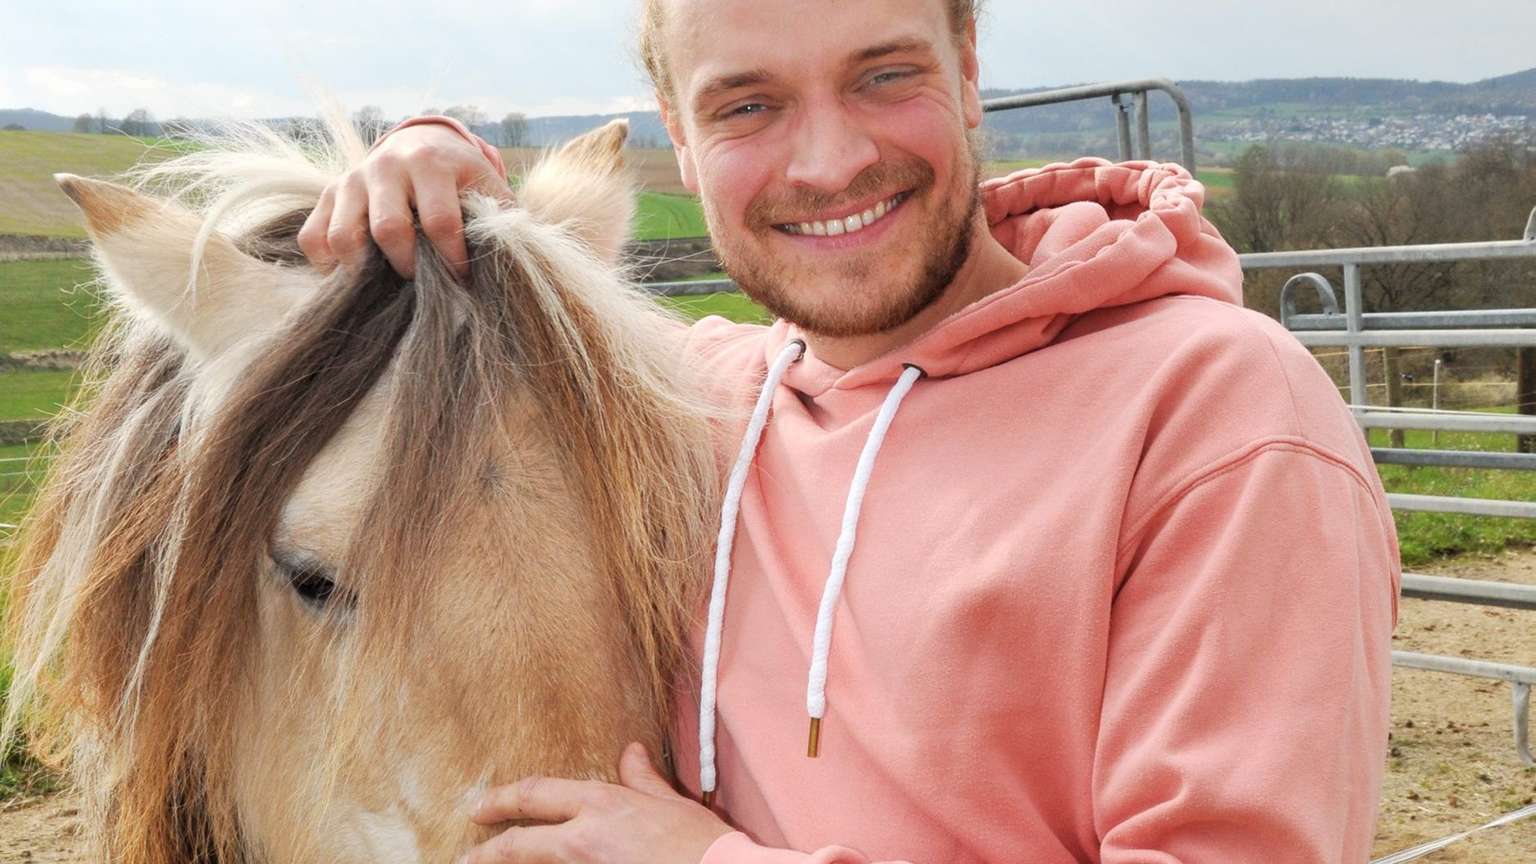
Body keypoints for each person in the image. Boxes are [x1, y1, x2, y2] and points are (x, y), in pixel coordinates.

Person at [299, 0, 1402, 861]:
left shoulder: (1219, 418)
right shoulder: (697, 402)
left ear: (967, 73)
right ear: (680, 144)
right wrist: (430, 153)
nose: (827, 164)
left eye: (883, 75)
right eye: (747, 105)